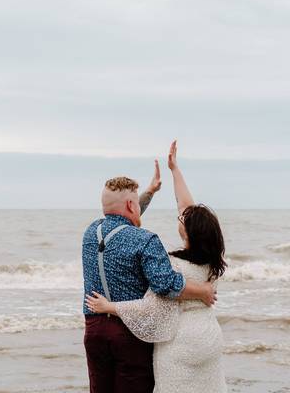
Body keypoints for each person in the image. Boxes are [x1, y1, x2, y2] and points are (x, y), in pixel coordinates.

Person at [86, 140, 228, 392]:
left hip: (96, 330)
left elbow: (123, 215)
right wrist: (203, 291)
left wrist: (158, 184)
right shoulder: (210, 258)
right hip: (187, 336)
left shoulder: (90, 233)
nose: (180, 214)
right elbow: (164, 284)